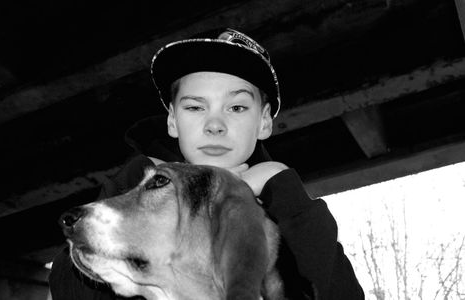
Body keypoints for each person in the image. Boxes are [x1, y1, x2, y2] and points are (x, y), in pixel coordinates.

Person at [49, 28, 364, 299]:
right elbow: (71, 290)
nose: (215, 124)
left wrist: (282, 187)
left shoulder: (284, 203)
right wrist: (140, 183)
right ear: (173, 119)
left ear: (264, 121)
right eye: (196, 107)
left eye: (237, 107)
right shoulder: (137, 179)